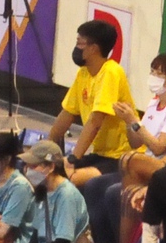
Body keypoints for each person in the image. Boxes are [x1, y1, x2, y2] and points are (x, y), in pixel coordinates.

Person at [47, 20, 132, 181]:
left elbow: (95, 122)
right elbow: (67, 114)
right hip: (99, 153)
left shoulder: (111, 72)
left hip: (120, 158)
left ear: (93, 48)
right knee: (44, 170)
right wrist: (46, 147)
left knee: (67, 178)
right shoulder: (83, 73)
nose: (76, 48)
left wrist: (73, 159)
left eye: (80, 43)